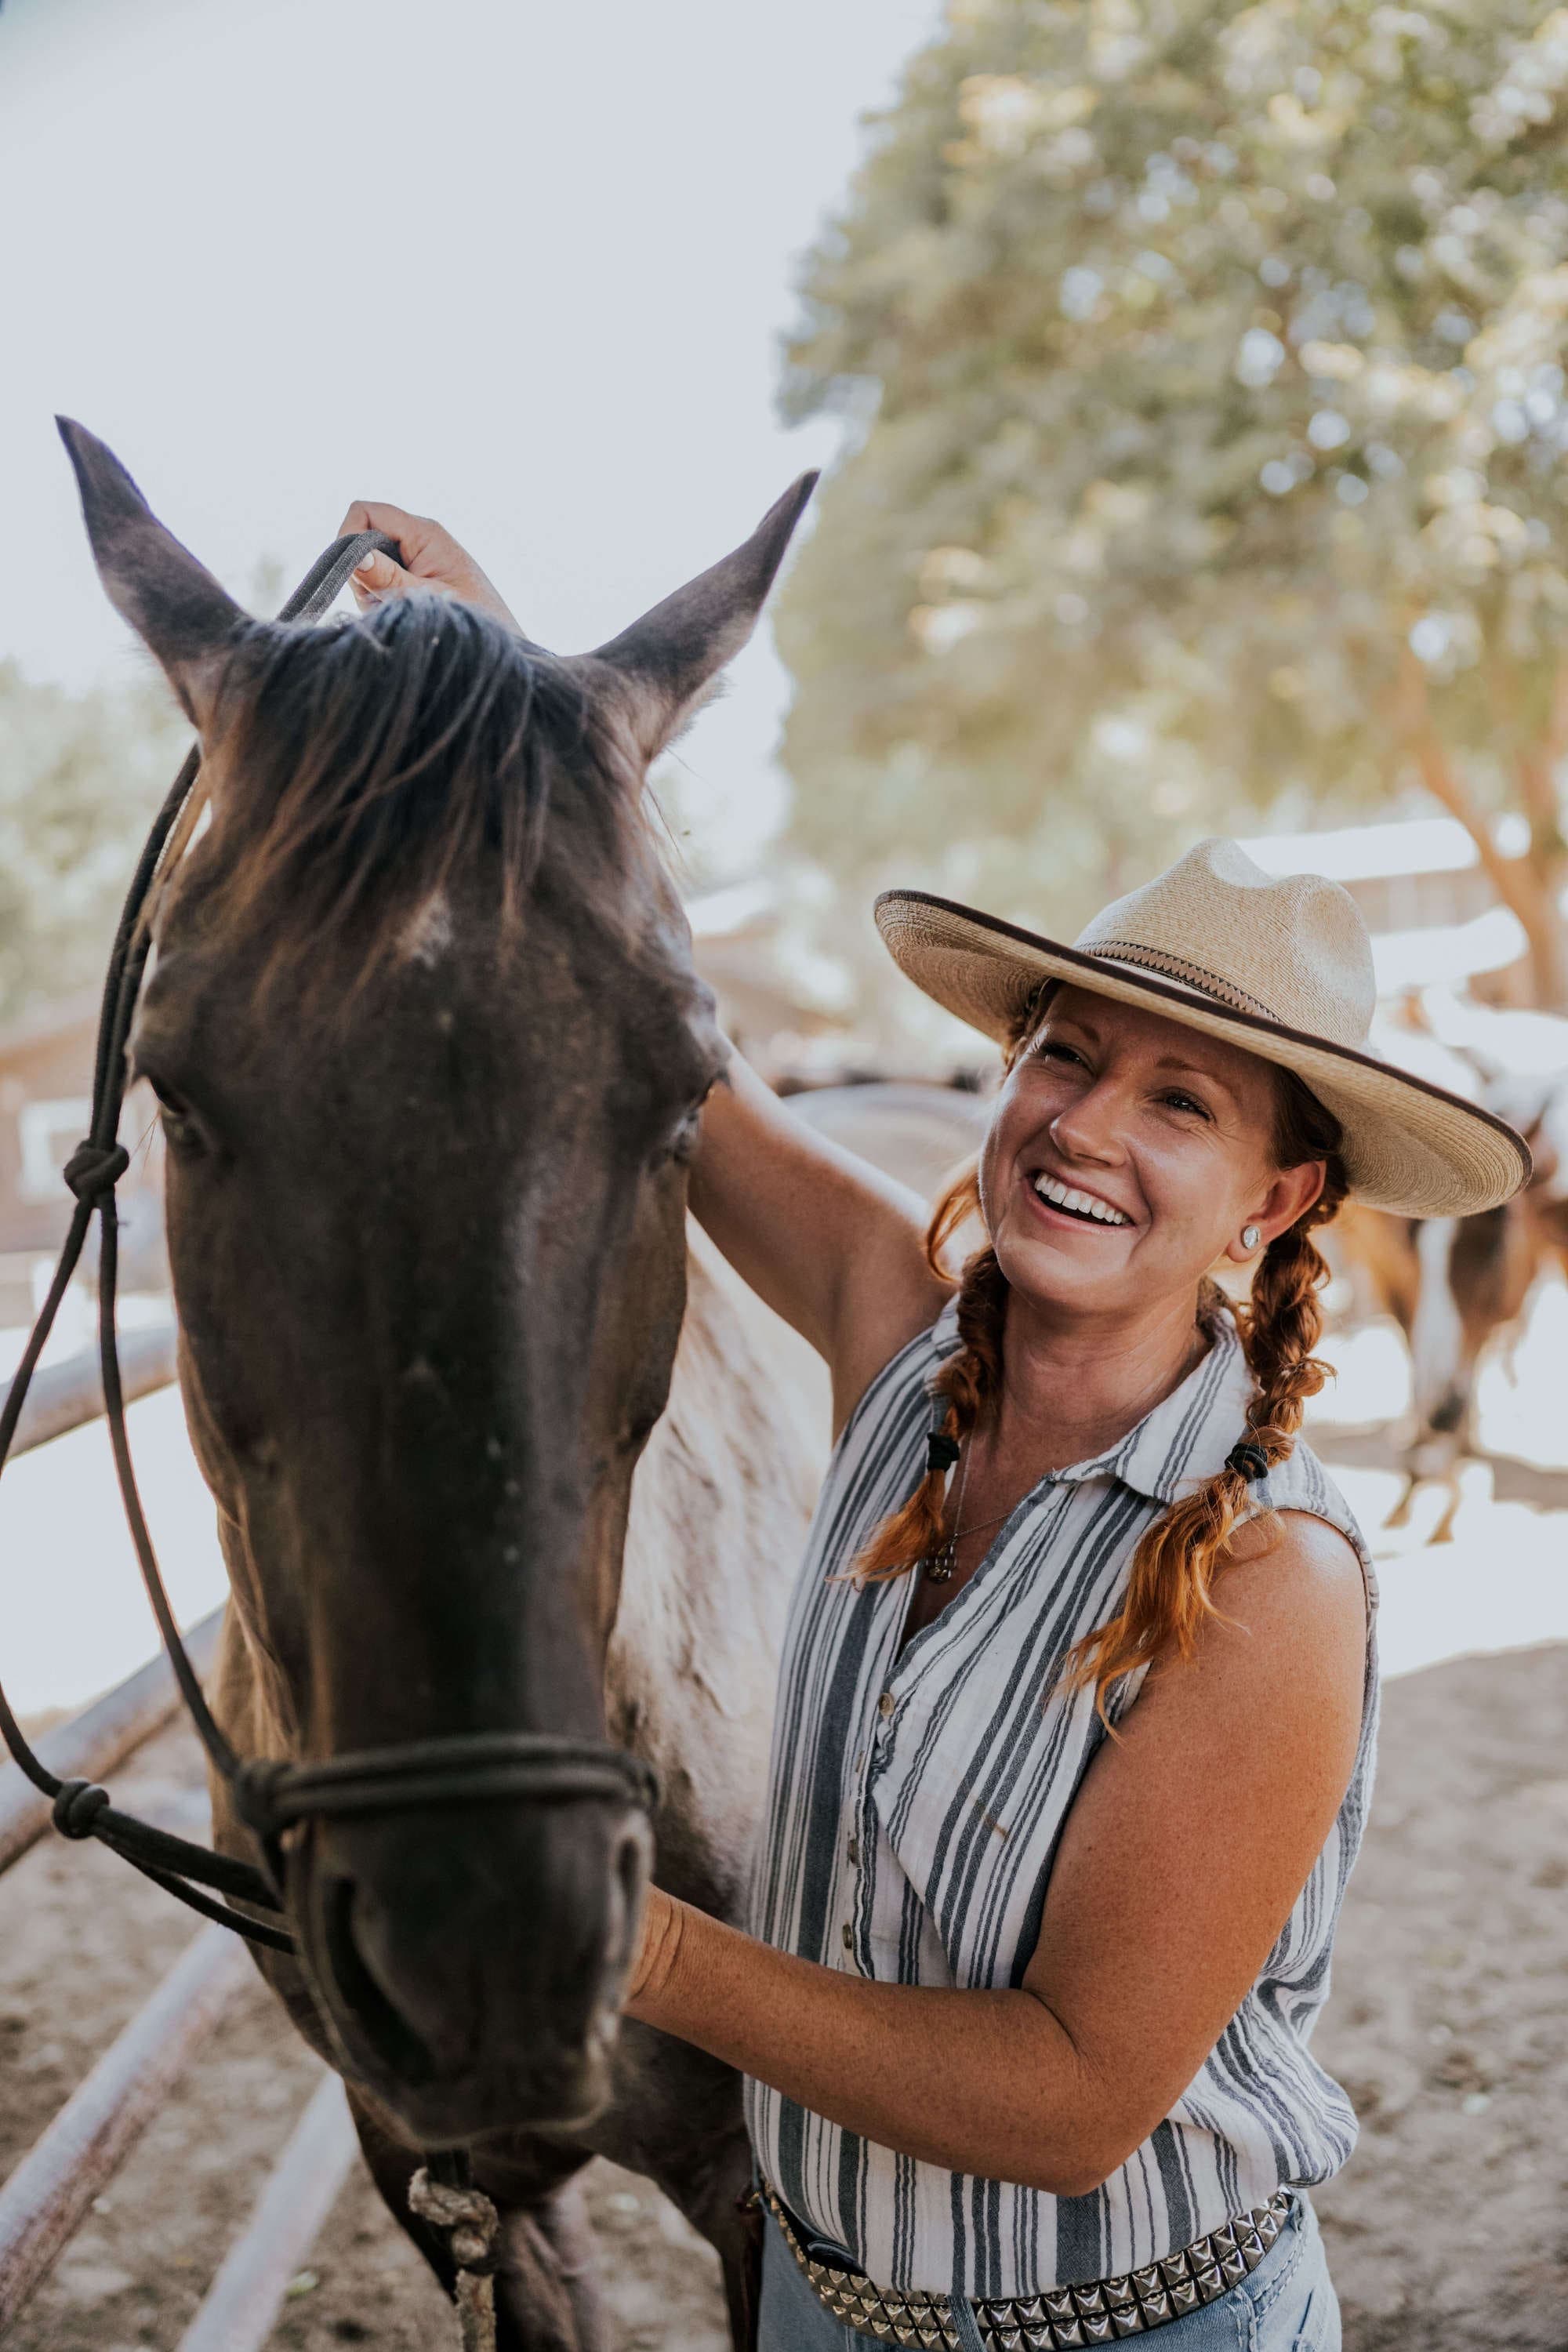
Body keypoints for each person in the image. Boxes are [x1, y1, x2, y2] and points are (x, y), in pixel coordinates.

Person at [339, 506, 1530, 2352]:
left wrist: (628, 1942)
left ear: (1277, 1205)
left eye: (1180, 1102)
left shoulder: (1268, 1578)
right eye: (1064, 1055)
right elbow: (683, 1041)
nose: (1084, 1127)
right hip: (821, 2304)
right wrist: (532, 700)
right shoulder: (902, 1344)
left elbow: (1068, 2100)